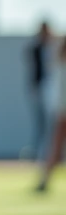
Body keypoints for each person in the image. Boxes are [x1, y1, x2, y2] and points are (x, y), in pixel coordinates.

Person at [35, 36, 66, 194]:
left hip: (61, 113)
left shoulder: (59, 67)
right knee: (55, 148)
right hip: (62, 113)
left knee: (55, 148)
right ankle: (44, 180)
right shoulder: (59, 67)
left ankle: (44, 181)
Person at [23, 20, 55, 161]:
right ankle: (37, 152)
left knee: (54, 123)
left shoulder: (55, 48)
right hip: (40, 89)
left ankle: (53, 153)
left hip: (54, 90)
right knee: (40, 122)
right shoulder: (35, 48)